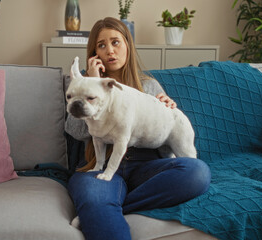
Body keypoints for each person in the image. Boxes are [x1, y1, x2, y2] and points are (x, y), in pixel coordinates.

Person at [66, 17, 211, 240]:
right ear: (94, 53)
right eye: (101, 45)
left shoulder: (149, 85)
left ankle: (111, 205)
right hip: (99, 169)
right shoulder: (82, 84)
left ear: (128, 46)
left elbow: (166, 129)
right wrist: (93, 83)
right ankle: (102, 205)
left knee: (198, 172)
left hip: (147, 167)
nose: (110, 51)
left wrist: (168, 107)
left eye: (116, 42)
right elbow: (74, 130)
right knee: (96, 198)